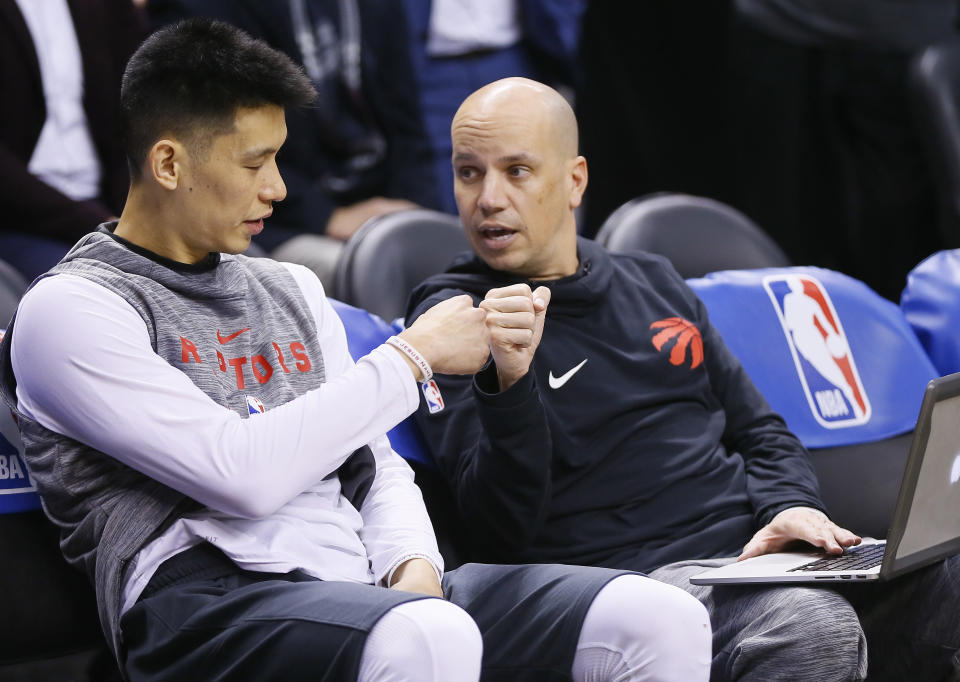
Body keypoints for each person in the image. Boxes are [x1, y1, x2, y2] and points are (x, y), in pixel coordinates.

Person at [0, 21, 712, 681]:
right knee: (428, 637)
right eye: (257, 163)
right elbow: (237, 474)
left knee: (655, 615)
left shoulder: (291, 287)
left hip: (362, 585)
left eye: (279, 159)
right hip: (204, 604)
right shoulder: (72, 311)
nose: (278, 189)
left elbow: (376, 467)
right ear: (168, 162)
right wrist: (411, 358)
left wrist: (414, 566)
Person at [406, 77, 960, 681]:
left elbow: (762, 431)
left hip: (752, 558)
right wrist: (510, 386)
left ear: (574, 181)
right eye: (468, 173)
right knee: (809, 627)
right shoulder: (453, 319)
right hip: (630, 585)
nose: (488, 198)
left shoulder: (654, 280)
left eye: (516, 171)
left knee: (948, 578)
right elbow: (494, 528)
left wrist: (791, 506)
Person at [148, 0, 443, 290]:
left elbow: (408, 128)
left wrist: (416, 214)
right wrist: (327, 217)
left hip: (375, 201)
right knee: (369, 271)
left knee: (447, 253)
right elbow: (218, 149)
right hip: (272, 218)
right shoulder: (202, 9)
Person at [0, 0, 147, 281]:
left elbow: (138, 110)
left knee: (231, 270)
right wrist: (101, 225)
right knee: (107, 288)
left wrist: (136, 209)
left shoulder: (105, 8)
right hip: (20, 223)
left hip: (115, 208)